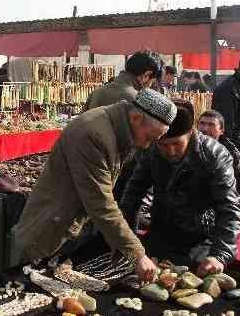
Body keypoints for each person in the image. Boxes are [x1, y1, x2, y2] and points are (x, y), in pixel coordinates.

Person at [15, 89, 177, 282]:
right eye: (150, 138)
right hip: (50, 230)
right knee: (30, 290)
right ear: (136, 118)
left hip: (72, 227)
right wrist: (137, 254)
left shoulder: (118, 129)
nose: (148, 145)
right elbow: (100, 202)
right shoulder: (94, 133)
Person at [120, 99, 240, 276]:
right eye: (164, 145)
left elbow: (230, 208)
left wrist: (220, 255)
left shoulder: (214, 155)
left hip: (200, 237)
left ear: (190, 134)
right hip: (161, 230)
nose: (170, 151)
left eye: (177, 144)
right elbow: (132, 196)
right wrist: (130, 245)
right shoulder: (151, 150)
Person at [212, 47, 240, 214]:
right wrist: (237, 161)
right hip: (233, 155)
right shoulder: (228, 90)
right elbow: (224, 132)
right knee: (232, 200)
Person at [198, 110, 240, 208]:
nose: (205, 129)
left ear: (221, 131)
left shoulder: (231, 153)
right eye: (202, 123)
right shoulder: (189, 148)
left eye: (211, 125)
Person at [85, 51, 162, 110]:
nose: (150, 86)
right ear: (147, 75)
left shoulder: (96, 93)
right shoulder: (138, 101)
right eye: (152, 82)